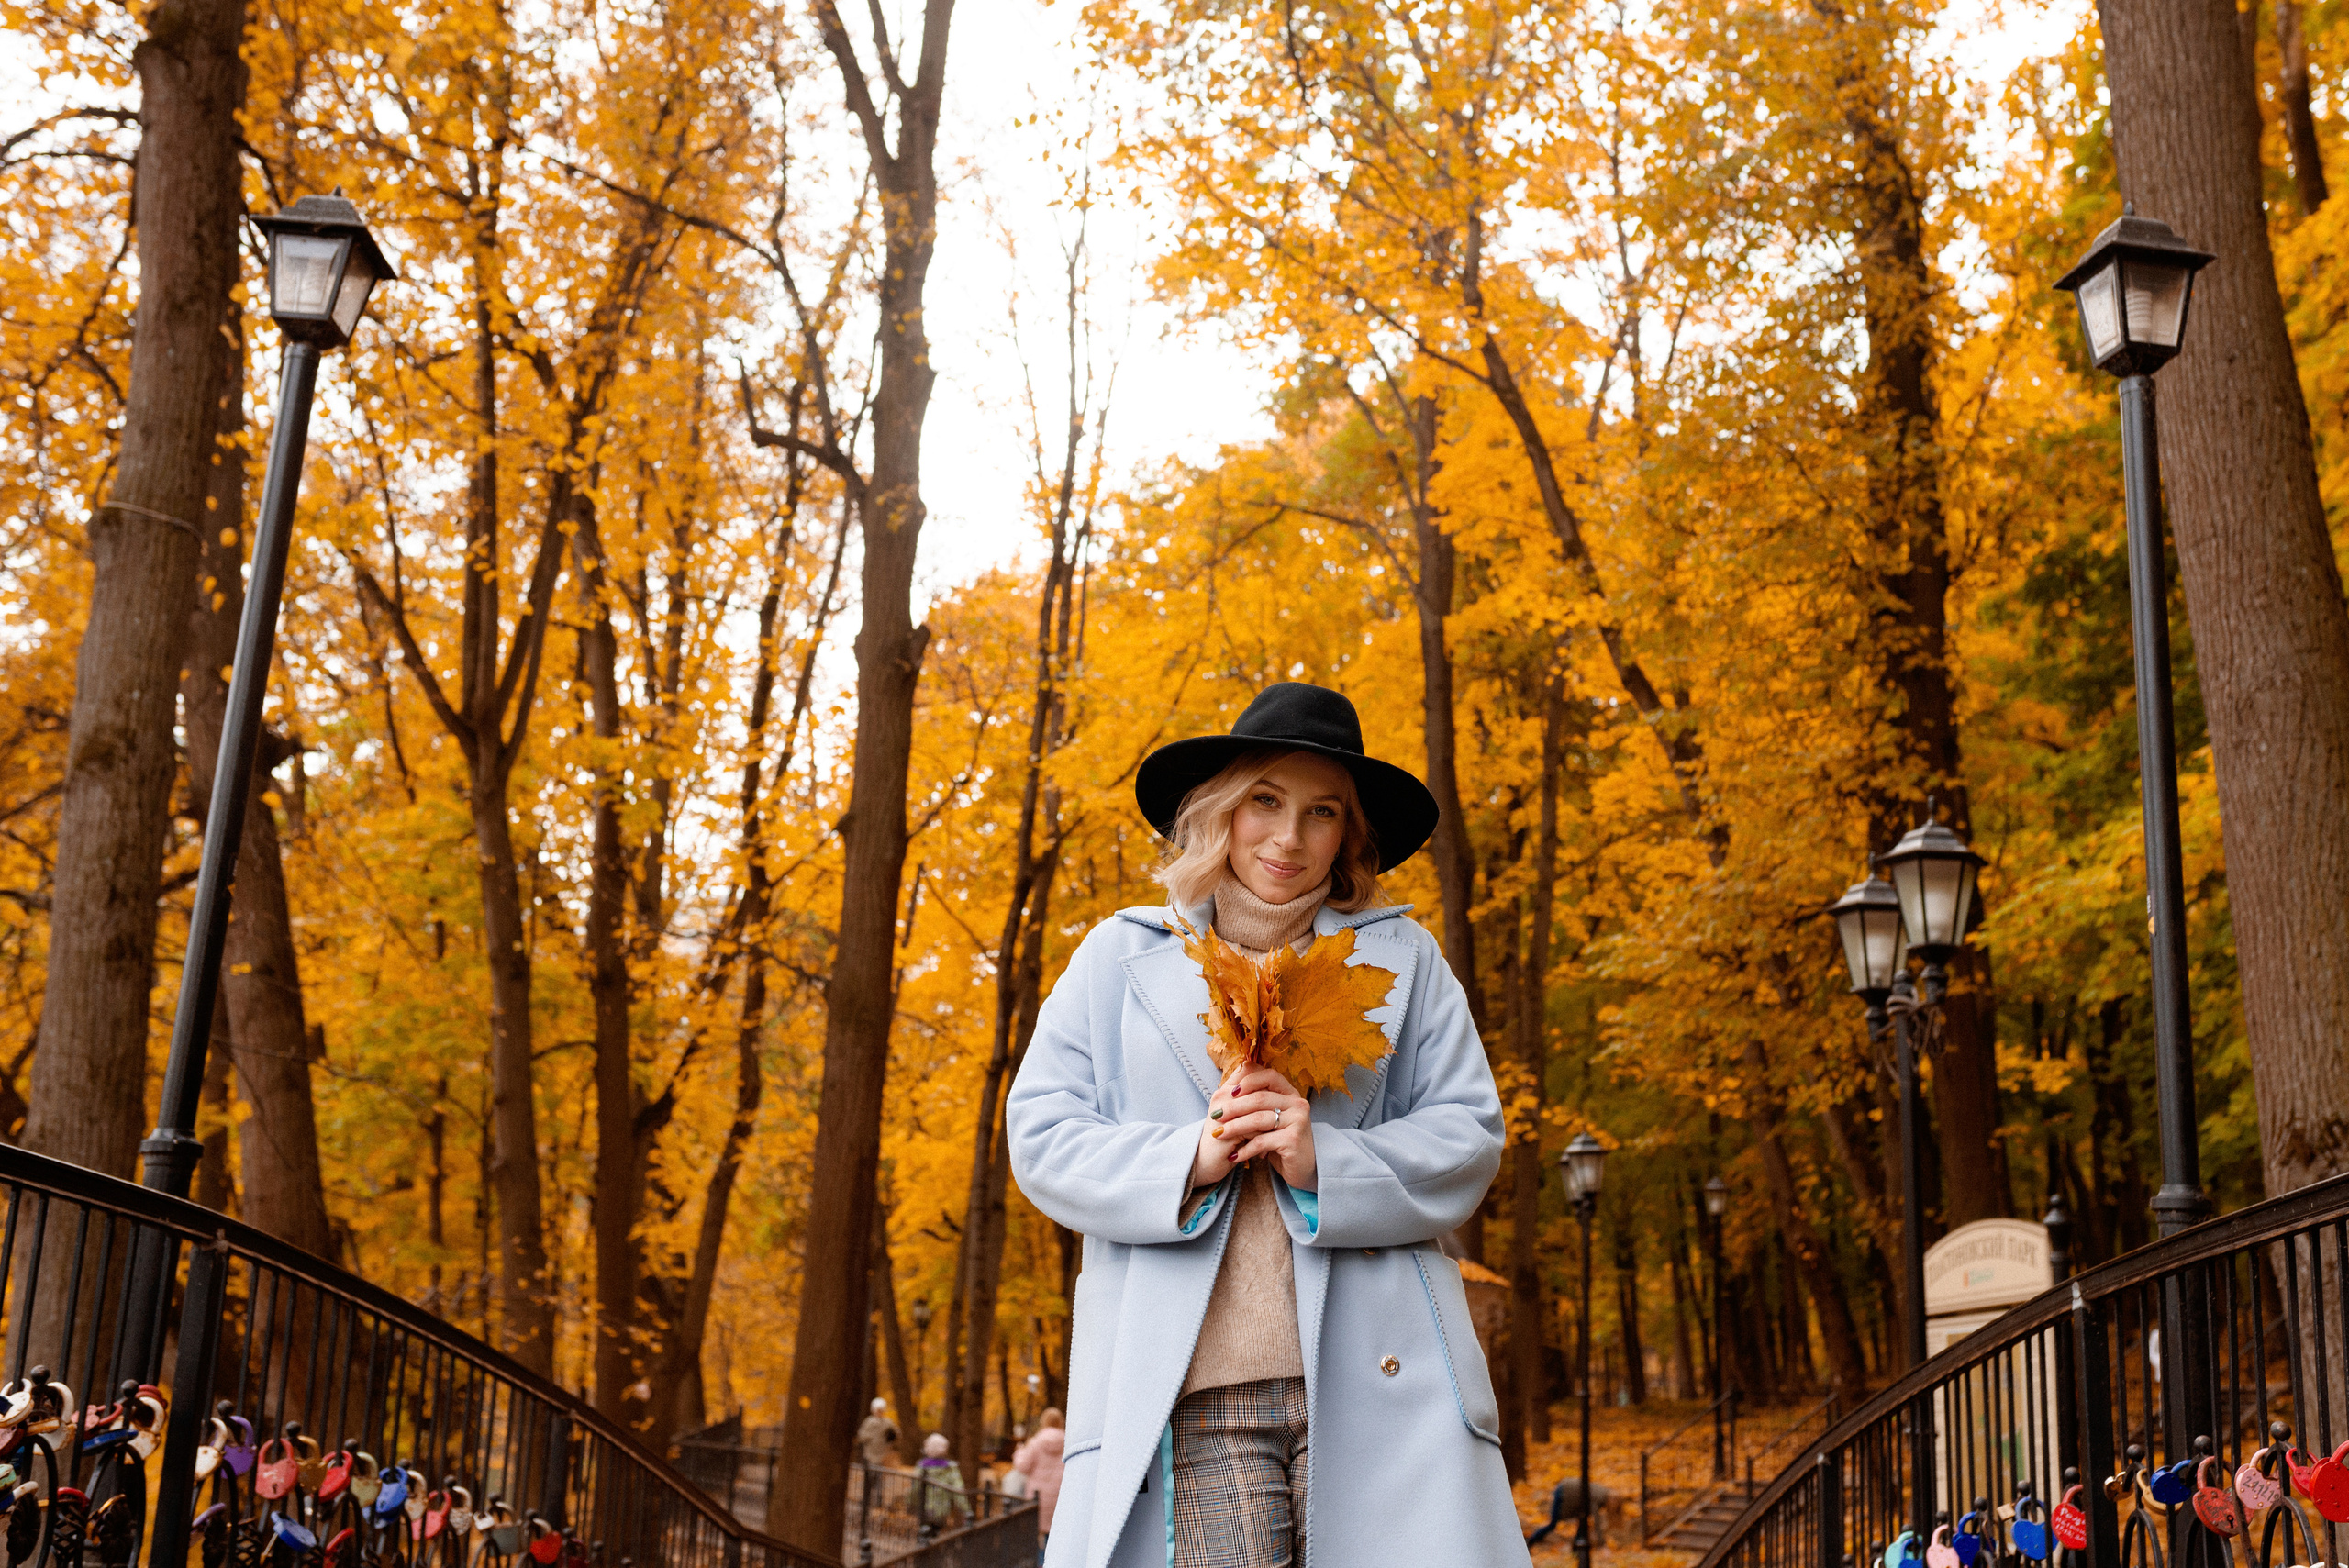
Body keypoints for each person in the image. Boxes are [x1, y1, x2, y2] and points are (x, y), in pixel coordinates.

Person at [1007, 684, 1526, 1568]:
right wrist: (1191, 1156)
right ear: (1222, 811)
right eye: (1266, 801)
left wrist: (1330, 1157)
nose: (1289, 837)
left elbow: (1469, 1133)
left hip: (1382, 1380)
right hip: (1195, 1388)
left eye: (1322, 812)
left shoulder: (1407, 961)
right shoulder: (1119, 955)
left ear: (1350, 834)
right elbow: (1045, 1135)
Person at [1012, 1408, 1066, 1545]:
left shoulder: (1036, 1442)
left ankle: (1041, 1562)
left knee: (1037, 1537)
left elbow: (1023, 1466)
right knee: (1056, 1535)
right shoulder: (1068, 1442)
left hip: (1038, 1496)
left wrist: (1019, 1452)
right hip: (1061, 1494)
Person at [917, 1432, 967, 1535]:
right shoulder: (950, 1468)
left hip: (924, 1508)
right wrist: (965, 1509)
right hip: (942, 1510)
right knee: (935, 1533)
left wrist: (911, 1503)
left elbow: (915, 1487)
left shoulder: (921, 1466)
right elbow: (958, 1490)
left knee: (923, 1533)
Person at [855, 1397, 899, 1470]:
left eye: (881, 1410)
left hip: (883, 1455)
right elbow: (861, 1436)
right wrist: (869, 1437)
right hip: (869, 1455)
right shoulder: (869, 1421)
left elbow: (897, 1434)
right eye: (877, 1410)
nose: (879, 1412)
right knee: (869, 1476)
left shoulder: (888, 1423)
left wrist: (891, 1439)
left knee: (879, 1476)